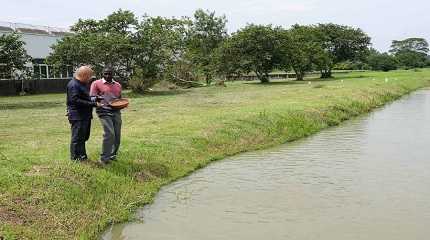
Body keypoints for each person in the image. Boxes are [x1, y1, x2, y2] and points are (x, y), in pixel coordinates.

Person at [66, 66, 100, 162]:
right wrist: (93, 104)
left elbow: (85, 96)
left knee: (83, 137)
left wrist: (95, 98)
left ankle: (82, 156)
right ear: (84, 75)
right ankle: (75, 159)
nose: (90, 78)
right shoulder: (73, 85)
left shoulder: (82, 83)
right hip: (78, 116)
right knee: (77, 137)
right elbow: (75, 100)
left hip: (85, 115)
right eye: (89, 76)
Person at [90, 67, 123, 164]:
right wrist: (97, 98)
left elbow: (119, 98)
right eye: (105, 74)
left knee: (117, 135)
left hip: (116, 111)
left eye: (110, 74)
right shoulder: (96, 83)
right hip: (103, 111)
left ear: (113, 74)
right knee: (109, 133)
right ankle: (104, 159)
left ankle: (112, 155)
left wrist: (121, 104)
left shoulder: (117, 85)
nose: (108, 76)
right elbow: (91, 97)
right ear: (102, 74)